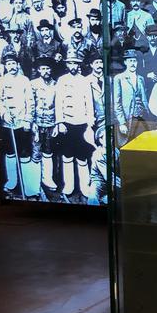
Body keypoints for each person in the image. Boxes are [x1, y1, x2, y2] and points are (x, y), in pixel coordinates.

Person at [55, 47, 95, 199]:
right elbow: (58, 102)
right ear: (67, 64)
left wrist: (90, 121)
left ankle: (84, 186)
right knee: (67, 155)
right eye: (70, 63)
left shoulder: (84, 80)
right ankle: (69, 185)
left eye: (75, 63)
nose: (73, 66)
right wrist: (60, 122)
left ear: (79, 65)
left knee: (82, 155)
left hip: (81, 123)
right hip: (67, 123)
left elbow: (89, 102)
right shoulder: (62, 80)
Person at [0, 50, 37, 198]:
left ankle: (28, 185)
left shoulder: (24, 80)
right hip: (8, 124)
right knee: (10, 153)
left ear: (18, 64)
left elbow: (30, 102)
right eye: (8, 64)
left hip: (22, 123)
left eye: (13, 63)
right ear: (5, 66)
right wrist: (4, 114)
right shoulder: (1, 81)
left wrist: (27, 120)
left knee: (25, 153)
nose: (11, 66)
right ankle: (12, 182)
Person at [31, 56, 58, 192]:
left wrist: (57, 124)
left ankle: (47, 178)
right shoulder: (33, 84)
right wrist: (32, 123)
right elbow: (30, 104)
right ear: (38, 70)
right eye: (43, 69)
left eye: (48, 68)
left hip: (50, 123)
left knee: (49, 151)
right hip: (36, 123)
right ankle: (35, 181)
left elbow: (59, 105)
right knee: (36, 150)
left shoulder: (56, 84)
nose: (46, 71)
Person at [113, 49, 149, 146]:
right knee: (125, 147)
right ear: (125, 62)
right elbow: (117, 102)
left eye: (134, 61)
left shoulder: (141, 78)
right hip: (127, 119)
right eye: (130, 61)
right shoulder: (119, 78)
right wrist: (121, 123)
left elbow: (144, 99)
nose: (133, 64)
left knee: (141, 147)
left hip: (141, 120)